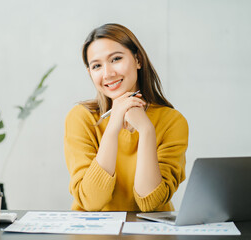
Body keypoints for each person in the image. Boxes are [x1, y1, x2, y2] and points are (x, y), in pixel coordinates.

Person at [64, 23, 188, 212]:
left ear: (138, 60)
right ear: (90, 73)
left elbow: (151, 203)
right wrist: (113, 126)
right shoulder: (81, 117)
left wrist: (146, 131)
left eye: (116, 59)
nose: (108, 73)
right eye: (97, 66)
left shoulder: (172, 121)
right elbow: (91, 202)